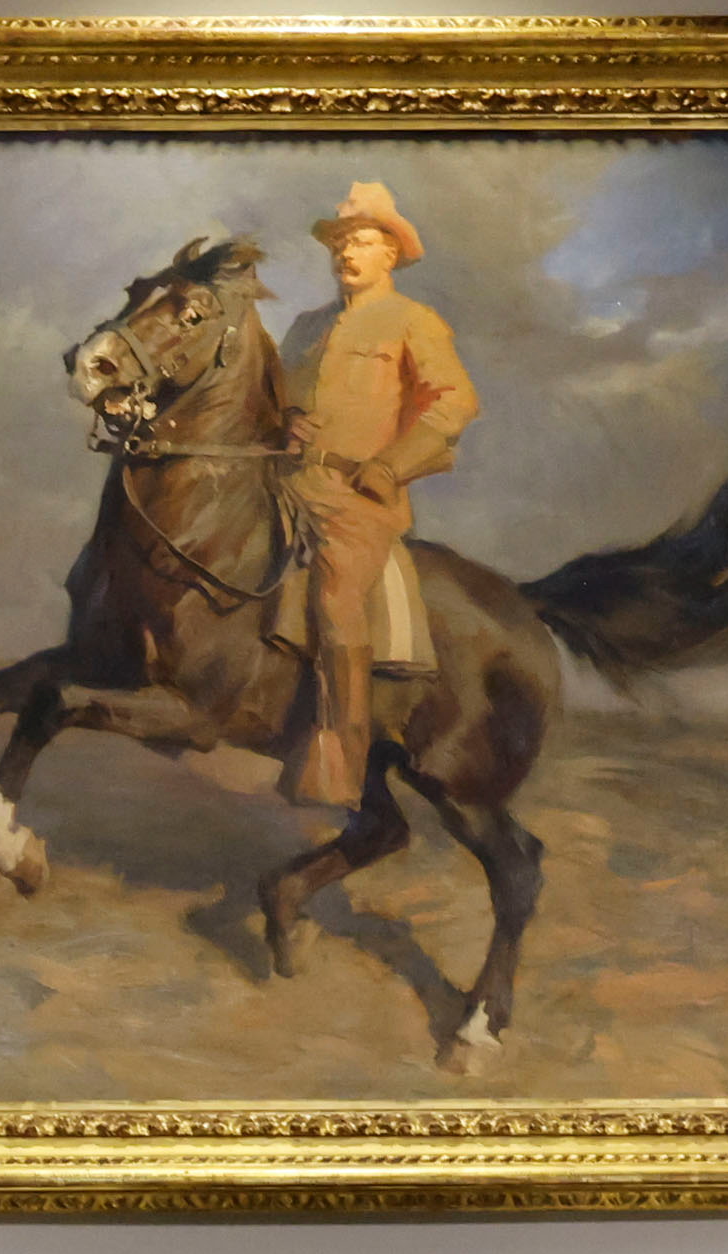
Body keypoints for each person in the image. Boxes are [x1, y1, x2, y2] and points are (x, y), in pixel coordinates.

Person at [273, 181, 476, 810]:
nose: (345, 253)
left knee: (336, 599)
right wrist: (283, 423)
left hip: (359, 499)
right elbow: (275, 399)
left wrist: (392, 466)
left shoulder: (414, 322)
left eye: (360, 241)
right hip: (285, 481)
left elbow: (455, 403)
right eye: (339, 243)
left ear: (391, 254)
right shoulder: (306, 328)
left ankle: (339, 756)